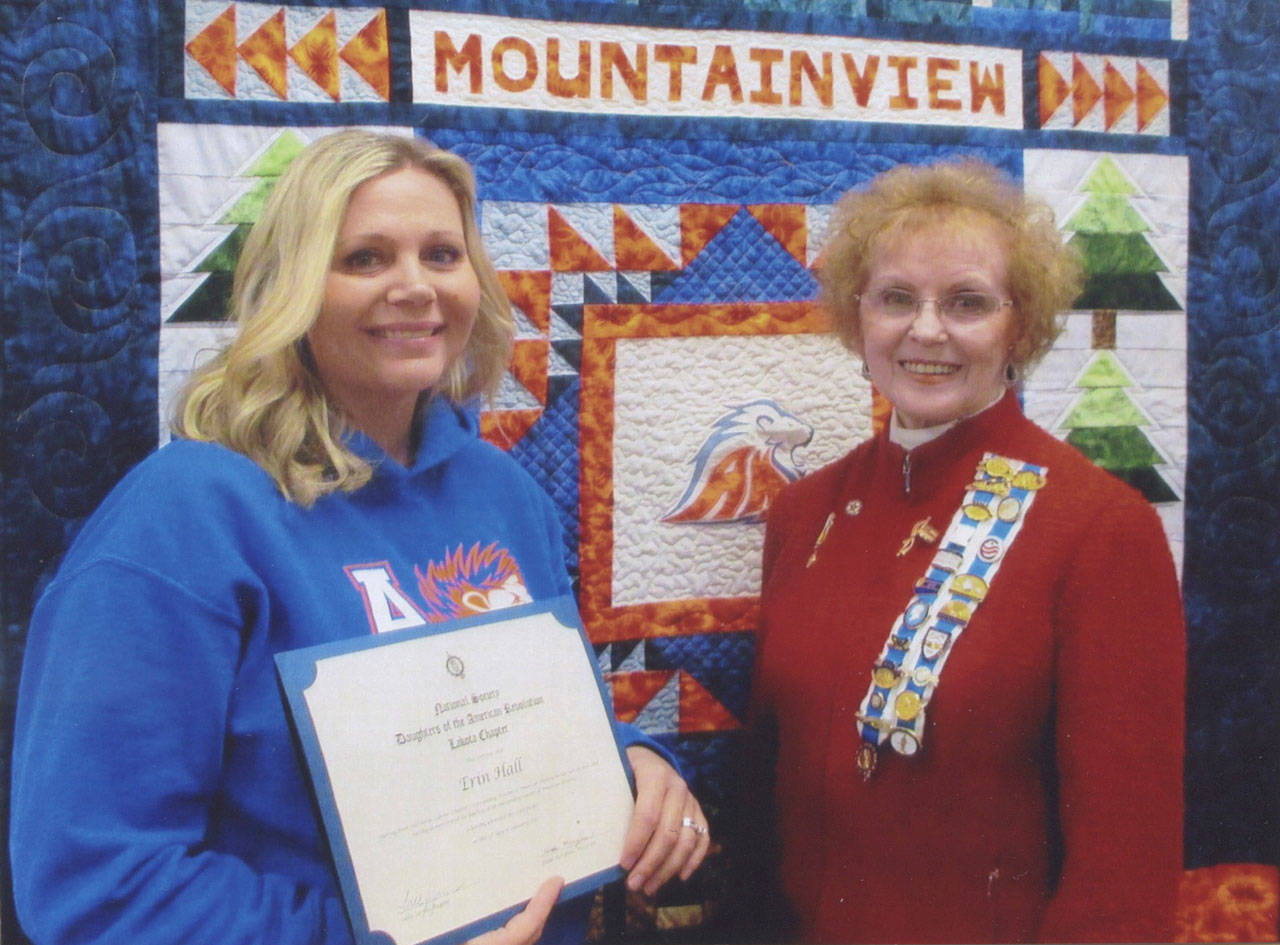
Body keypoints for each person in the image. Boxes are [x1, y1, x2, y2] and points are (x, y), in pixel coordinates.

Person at [10, 130, 710, 945]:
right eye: (366, 259)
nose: (414, 287)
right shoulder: (181, 520)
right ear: (291, 287)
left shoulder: (505, 495)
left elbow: (503, 728)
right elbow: (94, 887)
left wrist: (631, 764)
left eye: (442, 254)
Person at [742, 159, 1184, 943]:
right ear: (859, 315)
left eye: (968, 302)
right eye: (897, 298)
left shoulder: (1100, 529)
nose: (927, 330)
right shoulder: (800, 514)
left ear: (1022, 323)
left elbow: (1123, 872)